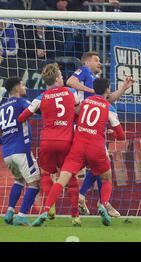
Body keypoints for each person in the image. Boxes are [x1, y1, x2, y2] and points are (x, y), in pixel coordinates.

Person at [32, 78, 127, 227]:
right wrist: (109, 132)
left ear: (94, 89)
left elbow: (74, 115)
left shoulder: (84, 103)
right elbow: (121, 136)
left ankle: (45, 210)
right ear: (108, 90)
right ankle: (103, 203)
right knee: (107, 177)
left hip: (78, 146)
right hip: (96, 147)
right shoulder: (109, 107)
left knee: (62, 179)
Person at [67, 51, 131, 217]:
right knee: (103, 166)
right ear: (87, 62)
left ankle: (85, 197)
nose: (100, 63)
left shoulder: (96, 82)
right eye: (96, 60)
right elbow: (70, 81)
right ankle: (103, 203)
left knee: (97, 166)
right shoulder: (85, 72)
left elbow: (108, 99)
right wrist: (92, 90)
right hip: (85, 127)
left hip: (93, 126)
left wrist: (124, 87)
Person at [18, 63, 83, 225]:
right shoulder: (71, 92)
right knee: (70, 178)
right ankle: (75, 216)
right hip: (67, 141)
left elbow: (22, 117)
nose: (63, 78)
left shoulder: (41, 97)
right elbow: (79, 110)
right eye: (61, 76)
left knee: (46, 174)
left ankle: (51, 204)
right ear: (56, 78)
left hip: (47, 141)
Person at [0, 77, 40, 226]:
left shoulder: (1, 107)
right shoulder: (22, 102)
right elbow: (35, 108)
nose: (24, 87)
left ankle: (10, 212)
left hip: (7, 153)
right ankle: (21, 215)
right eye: (22, 85)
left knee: (19, 180)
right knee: (35, 183)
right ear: (16, 88)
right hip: (21, 150)